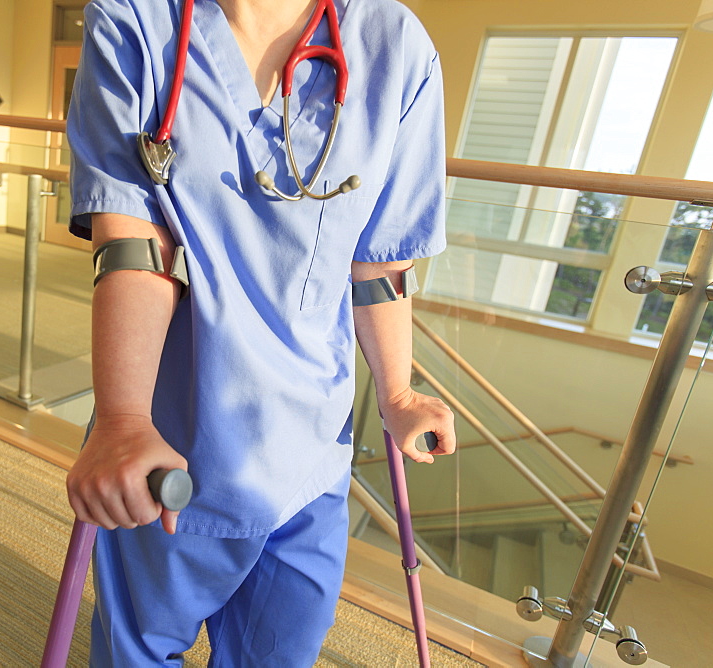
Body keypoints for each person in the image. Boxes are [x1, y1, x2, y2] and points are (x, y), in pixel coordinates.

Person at [65, 0, 456, 664]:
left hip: (312, 450)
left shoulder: (394, 46)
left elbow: (380, 259)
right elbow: (133, 239)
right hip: (172, 440)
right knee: (137, 650)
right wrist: (124, 416)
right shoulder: (137, 19)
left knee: (279, 652)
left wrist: (397, 391)